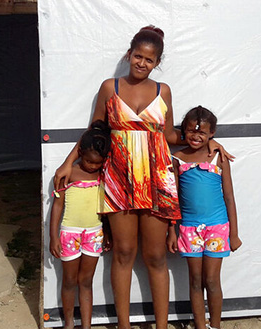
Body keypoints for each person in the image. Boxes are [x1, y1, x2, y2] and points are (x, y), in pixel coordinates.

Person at [53, 26, 231, 329]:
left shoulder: (164, 91)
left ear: (157, 63)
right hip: (119, 179)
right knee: (123, 253)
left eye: (149, 60)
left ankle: (161, 326)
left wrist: (206, 141)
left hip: (157, 180)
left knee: (156, 256)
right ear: (129, 54)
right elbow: (94, 132)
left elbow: (170, 134)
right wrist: (67, 164)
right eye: (138, 56)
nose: (142, 64)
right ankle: (124, 325)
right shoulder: (111, 88)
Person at [168, 106, 241, 329]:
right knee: (195, 281)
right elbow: (173, 199)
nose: (196, 136)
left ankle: (215, 325)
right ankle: (200, 325)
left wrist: (234, 234)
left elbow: (229, 197)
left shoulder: (218, 156)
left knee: (211, 280)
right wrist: (172, 230)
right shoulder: (177, 158)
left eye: (202, 133)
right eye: (191, 131)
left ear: (212, 134)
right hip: (189, 229)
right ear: (184, 131)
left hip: (217, 228)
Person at [49, 121, 112, 329]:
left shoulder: (103, 175)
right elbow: (57, 206)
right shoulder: (69, 174)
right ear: (80, 152)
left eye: (97, 163)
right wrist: (54, 236)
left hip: (94, 233)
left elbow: (106, 209)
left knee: (86, 281)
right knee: (69, 281)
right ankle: (68, 323)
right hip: (70, 234)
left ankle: (86, 325)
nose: (92, 166)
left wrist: (108, 233)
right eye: (88, 161)